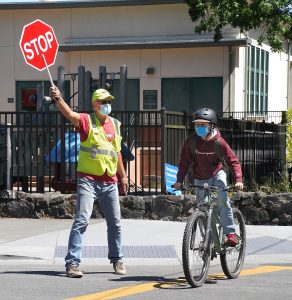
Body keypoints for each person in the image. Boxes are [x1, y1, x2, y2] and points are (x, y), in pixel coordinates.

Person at [50, 86, 128, 278]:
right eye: (103, 102)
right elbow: (69, 114)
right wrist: (58, 98)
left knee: (115, 223)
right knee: (82, 220)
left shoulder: (116, 124)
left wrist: (123, 176)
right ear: (95, 104)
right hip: (88, 179)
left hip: (109, 180)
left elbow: (117, 151)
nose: (107, 105)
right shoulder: (87, 120)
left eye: (109, 102)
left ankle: (117, 259)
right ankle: (72, 264)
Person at [173, 107, 243, 246]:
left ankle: (231, 234)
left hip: (217, 174)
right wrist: (179, 181)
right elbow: (184, 163)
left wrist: (238, 180)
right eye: (197, 124)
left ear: (212, 126)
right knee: (201, 209)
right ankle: (207, 239)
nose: (199, 127)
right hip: (200, 177)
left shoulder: (219, 142)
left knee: (223, 201)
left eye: (203, 125)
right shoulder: (191, 142)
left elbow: (233, 161)